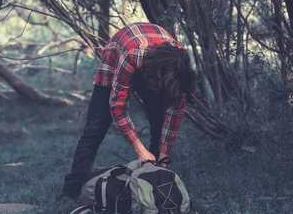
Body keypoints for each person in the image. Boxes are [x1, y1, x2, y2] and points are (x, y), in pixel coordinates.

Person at [59, 22, 197, 200]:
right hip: (119, 56)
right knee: (95, 128)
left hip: (158, 67)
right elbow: (118, 106)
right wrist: (139, 149)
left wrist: (163, 160)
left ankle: (154, 181)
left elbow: (174, 116)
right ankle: (70, 192)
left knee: (160, 121)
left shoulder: (181, 68)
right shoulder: (133, 55)